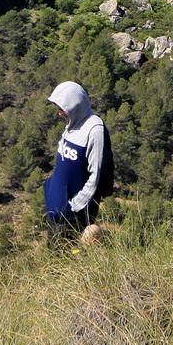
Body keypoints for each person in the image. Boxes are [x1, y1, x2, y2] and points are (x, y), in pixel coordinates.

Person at [44, 81, 112, 237]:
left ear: (75, 105)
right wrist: (50, 188)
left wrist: (72, 208)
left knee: (69, 257)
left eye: (62, 108)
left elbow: (97, 177)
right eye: (57, 108)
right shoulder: (71, 123)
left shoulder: (95, 130)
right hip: (57, 213)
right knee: (53, 257)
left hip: (72, 217)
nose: (59, 113)